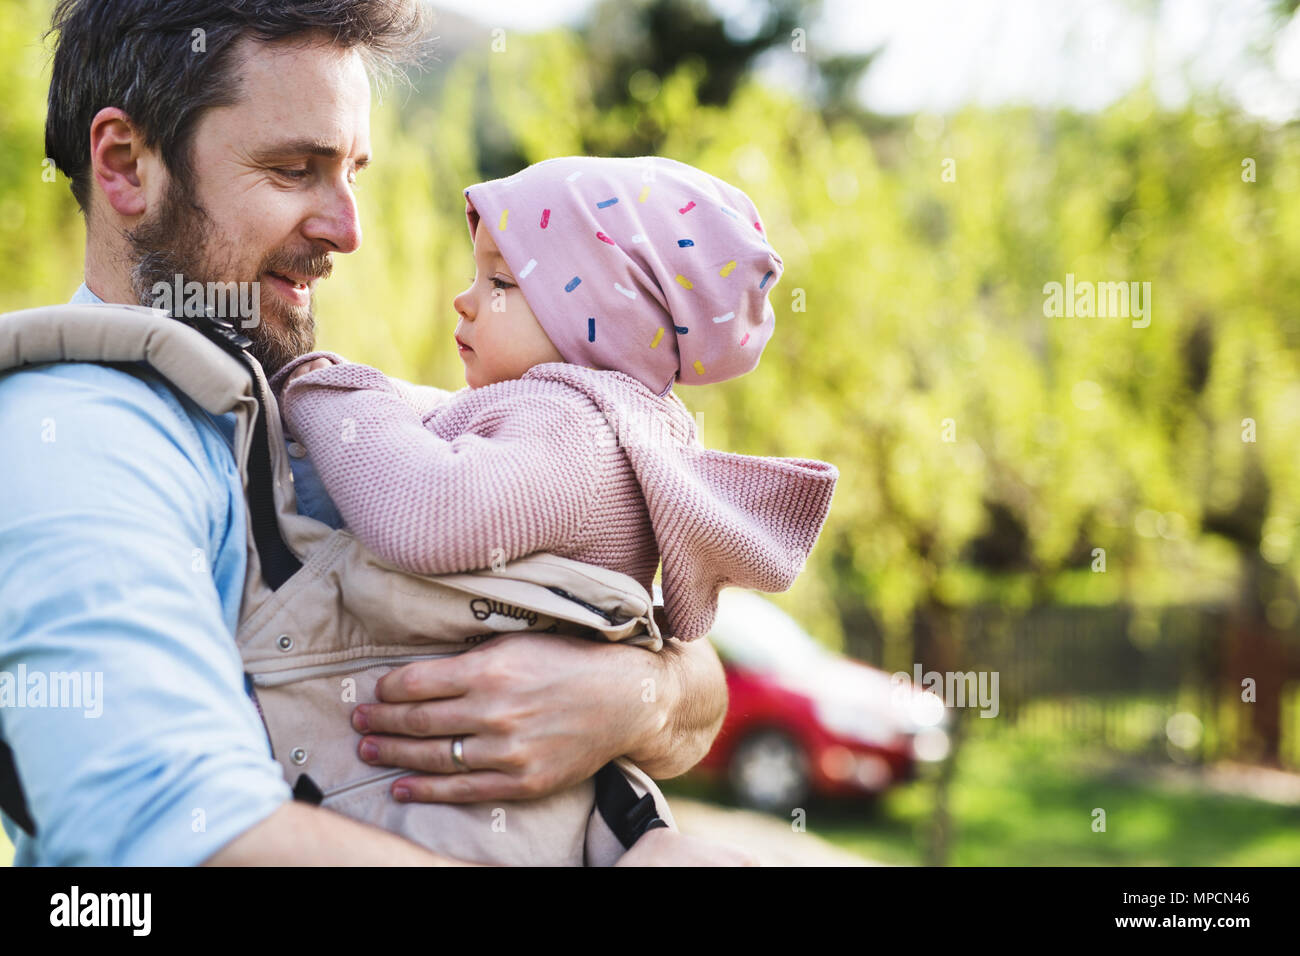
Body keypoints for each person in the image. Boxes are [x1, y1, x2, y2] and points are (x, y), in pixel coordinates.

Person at [0, 0, 736, 866]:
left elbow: (698, 677)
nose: (348, 230)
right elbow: (171, 834)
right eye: (292, 170)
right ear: (127, 165)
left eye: (353, 171)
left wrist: (629, 696)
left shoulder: (347, 413)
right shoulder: (73, 441)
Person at [273, 156, 840, 862]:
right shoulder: (614, 430)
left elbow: (425, 510)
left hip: (454, 814)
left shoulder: (573, 428)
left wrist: (332, 390)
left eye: (503, 282)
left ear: (602, 326)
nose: (465, 300)